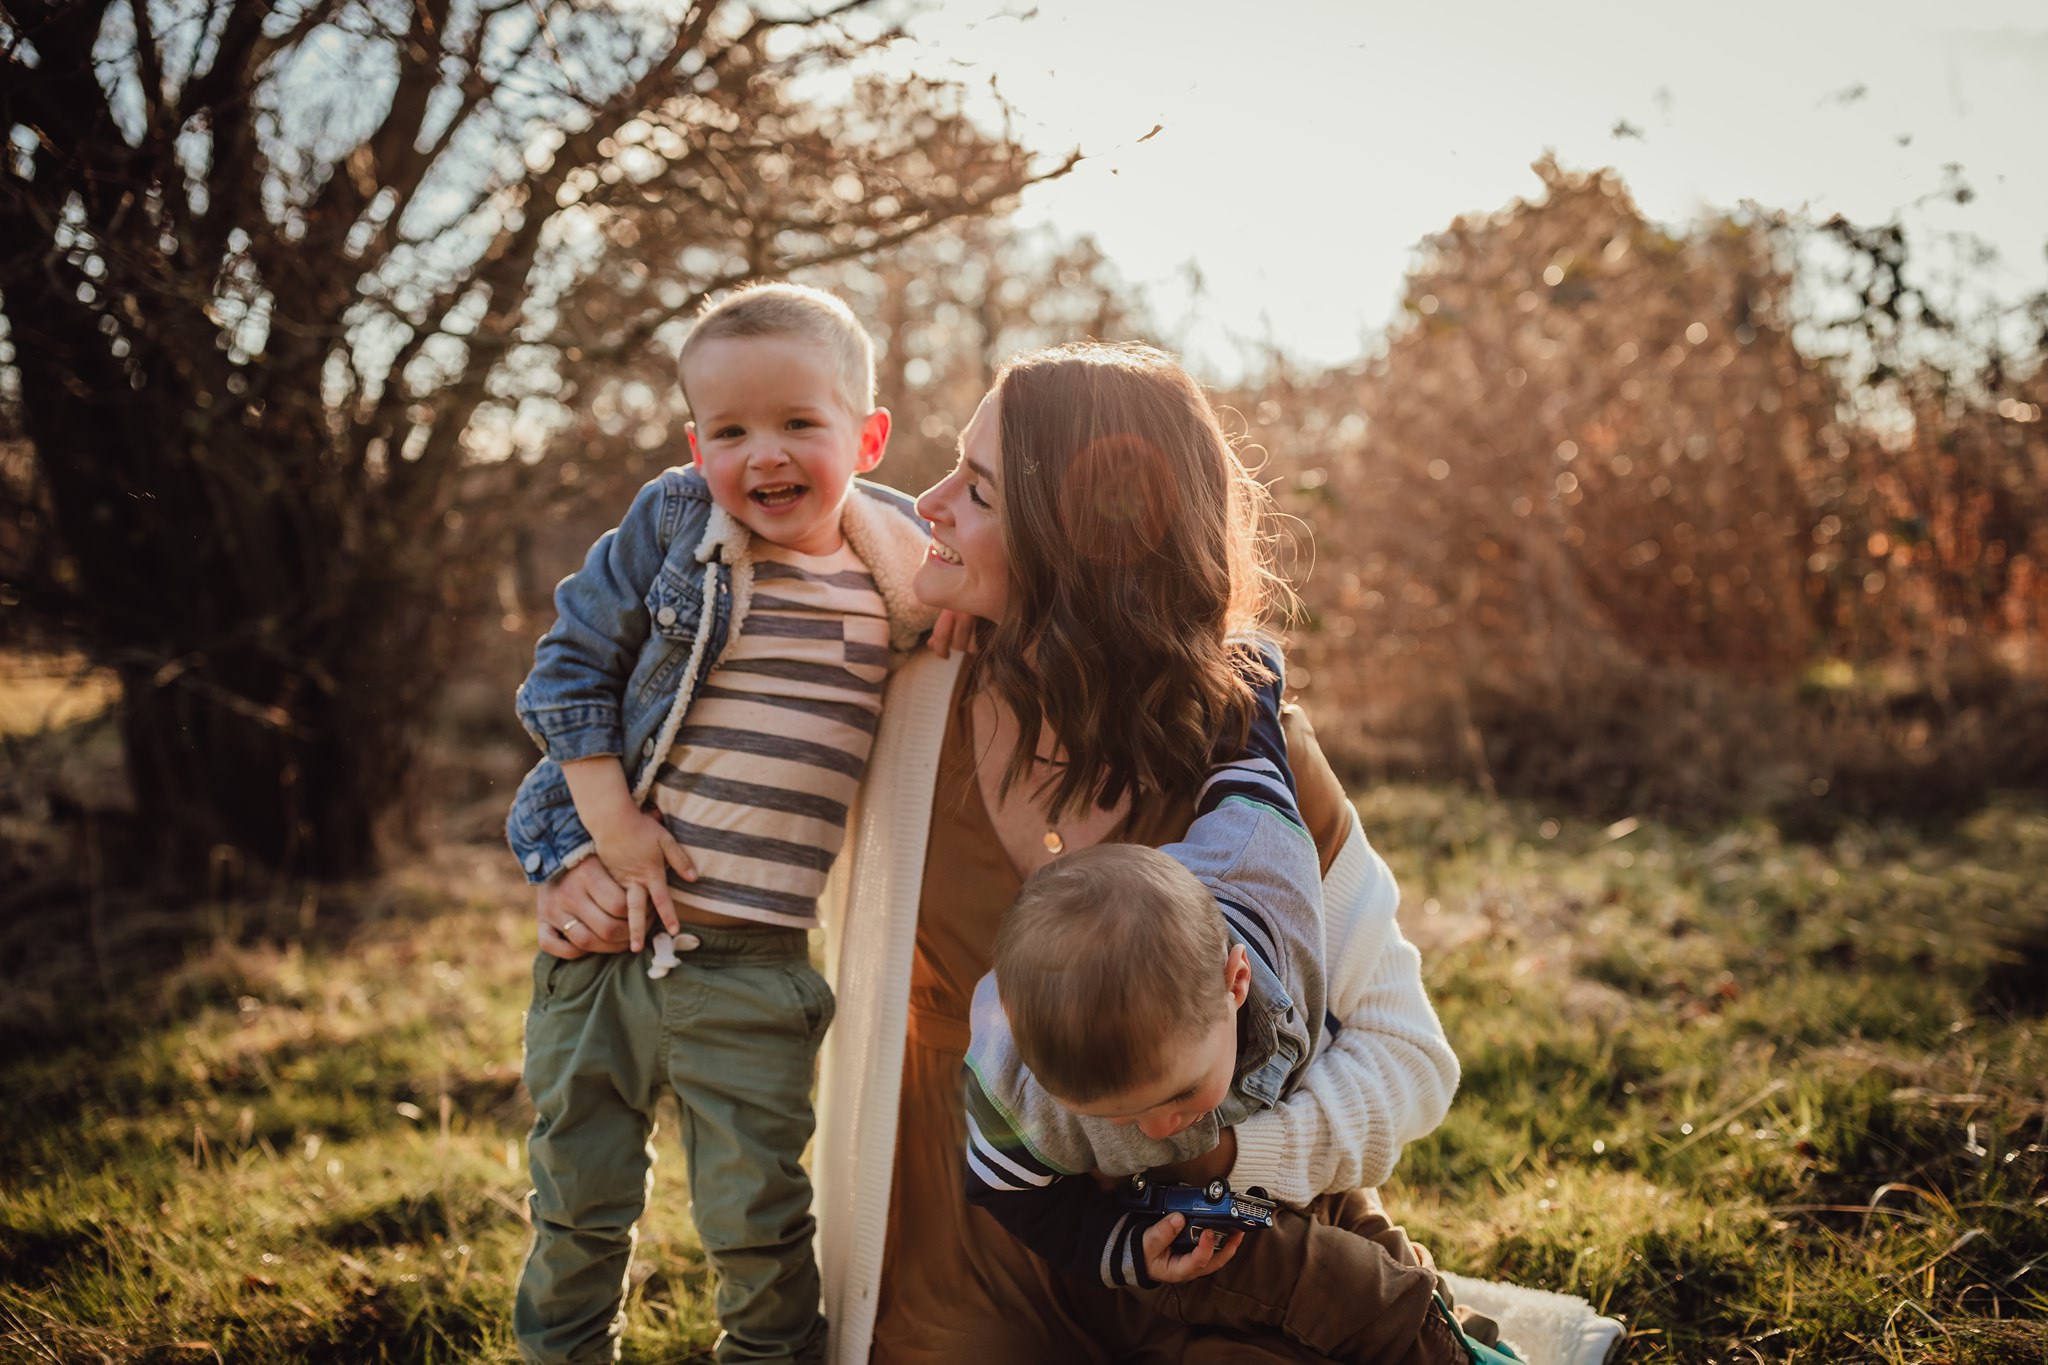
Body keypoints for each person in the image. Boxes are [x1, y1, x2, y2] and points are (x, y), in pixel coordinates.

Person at [535, 341, 1461, 1363]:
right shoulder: (905, 690)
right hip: (966, 1252)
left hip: (1212, 1238)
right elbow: (663, 704)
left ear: (1077, 546)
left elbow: (1407, 1060)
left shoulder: (1248, 753)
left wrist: (1221, 1153)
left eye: (973, 488)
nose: (925, 501)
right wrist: (575, 855)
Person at [504, 281, 937, 1365]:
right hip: (606, 950)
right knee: (575, 1210)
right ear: (696, 447)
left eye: (799, 423)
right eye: (730, 431)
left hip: (752, 967)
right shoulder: (675, 529)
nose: (765, 456)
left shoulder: (903, 582)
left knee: (757, 1231)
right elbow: (567, 677)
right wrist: (599, 838)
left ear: (867, 436)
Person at [963, 653, 1469, 1365]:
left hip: (1297, 1159)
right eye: (1118, 1116)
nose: (1164, 1127)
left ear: (1237, 983)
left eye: (1176, 1094)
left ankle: (1457, 1335)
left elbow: (1251, 758)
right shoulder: (1023, 1094)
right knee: (1342, 1290)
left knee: (1370, 1242)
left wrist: (1250, 661)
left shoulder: (1267, 871)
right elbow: (1016, 1197)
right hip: (1176, 1228)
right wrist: (1126, 1250)